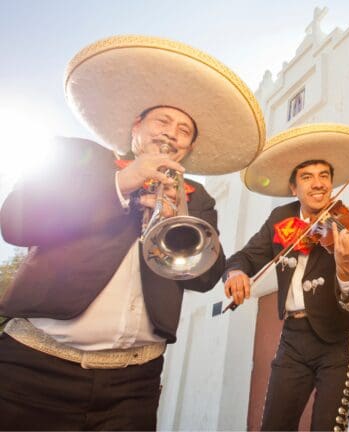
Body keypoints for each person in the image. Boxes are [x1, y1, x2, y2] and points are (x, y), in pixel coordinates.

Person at [0, 35, 265, 430]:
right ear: (136, 126)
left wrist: (177, 216)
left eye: (184, 130)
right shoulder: (77, 155)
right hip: (34, 370)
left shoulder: (198, 197)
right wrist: (121, 185)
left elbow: (207, 277)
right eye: (162, 121)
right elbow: (16, 223)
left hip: (134, 384)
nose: (172, 133)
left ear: (188, 147)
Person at [223, 124, 349, 431]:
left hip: (339, 338)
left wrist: (346, 270)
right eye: (307, 177)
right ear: (294, 188)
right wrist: (237, 272)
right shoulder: (281, 219)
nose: (318, 184)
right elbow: (245, 257)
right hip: (293, 338)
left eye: (324, 176)